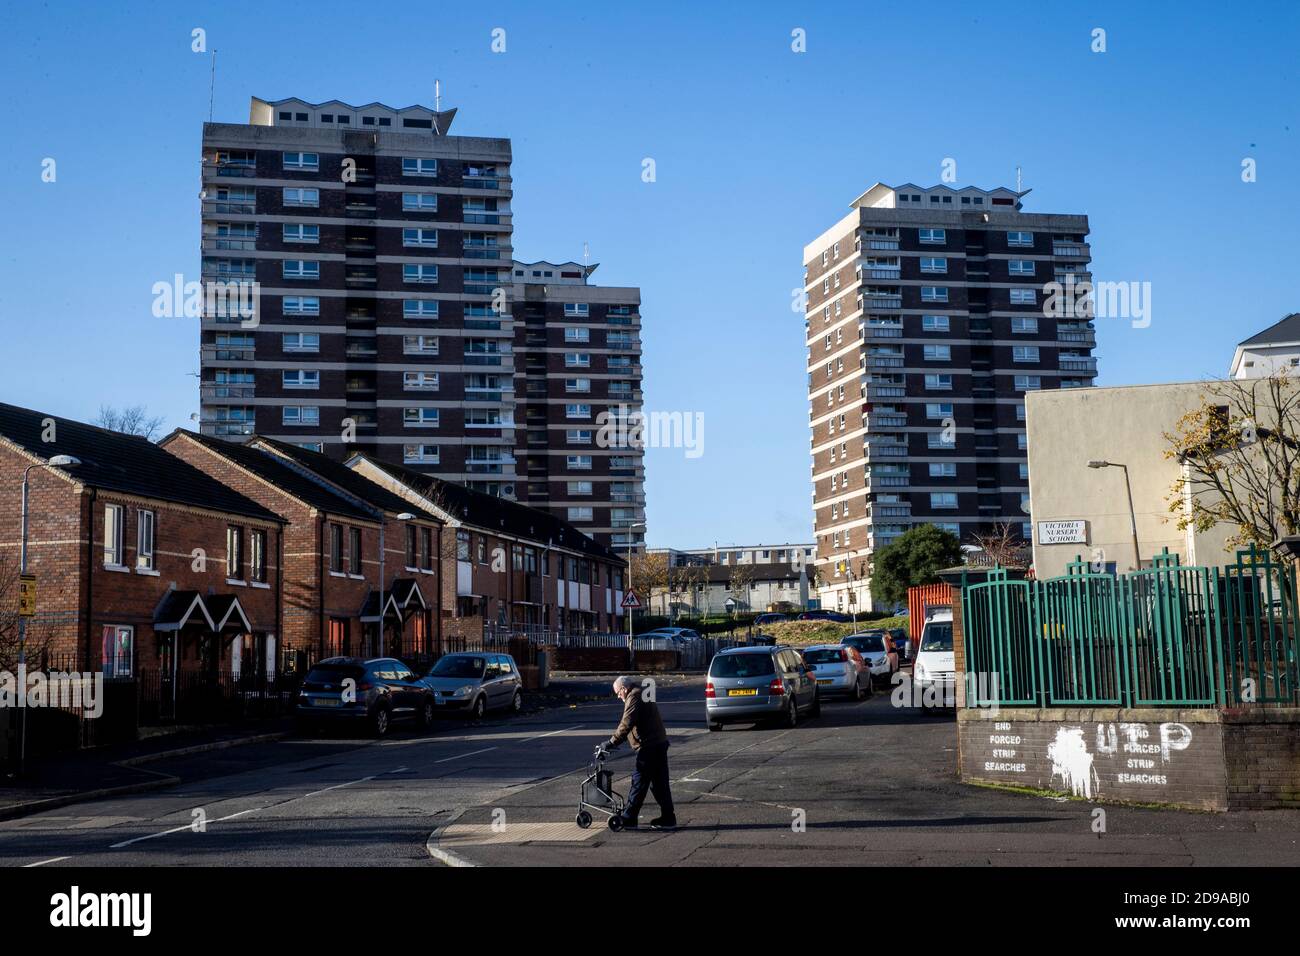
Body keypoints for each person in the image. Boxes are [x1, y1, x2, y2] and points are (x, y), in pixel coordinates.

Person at [604, 675, 676, 830]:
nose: (618, 697)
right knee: (659, 784)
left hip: (649, 746)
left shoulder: (635, 695)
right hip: (658, 742)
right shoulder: (641, 692)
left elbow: (627, 722)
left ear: (624, 688)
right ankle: (668, 818)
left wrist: (611, 742)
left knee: (639, 781)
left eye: (618, 693)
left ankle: (629, 818)